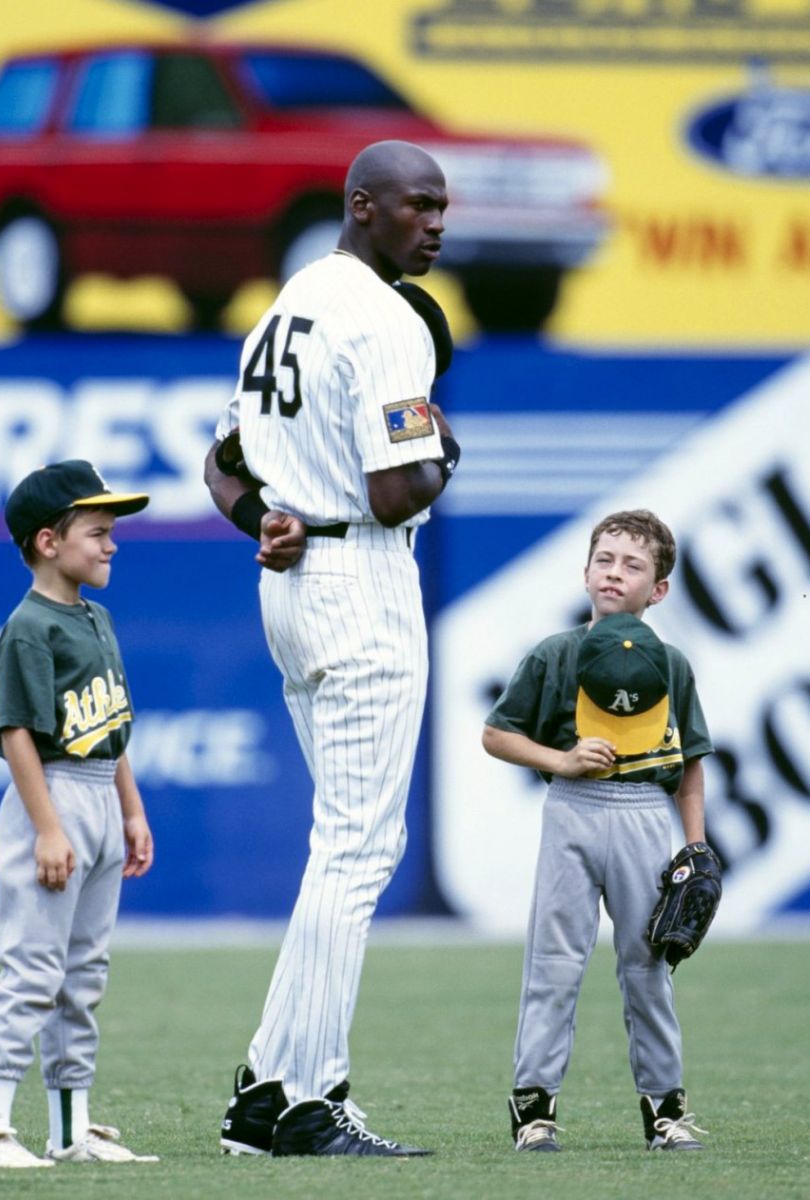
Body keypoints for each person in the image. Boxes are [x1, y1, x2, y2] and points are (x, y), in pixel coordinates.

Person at [204, 140, 460, 1158]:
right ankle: (298, 1102)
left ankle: (273, 1083)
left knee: (342, 844)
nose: (435, 222)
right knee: (356, 850)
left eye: (442, 207)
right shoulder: (387, 318)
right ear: (363, 206)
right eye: (418, 205)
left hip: (292, 578)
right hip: (360, 580)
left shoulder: (288, 301)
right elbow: (399, 489)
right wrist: (443, 445)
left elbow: (220, 463)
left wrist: (263, 511)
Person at [482, 509, 714, 1153]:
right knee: (554, 963)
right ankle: (534, 1110)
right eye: (605, 559)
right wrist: (560, 760)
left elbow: (690, 765)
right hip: (572, 809)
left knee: (649, 964)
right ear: (585, 570)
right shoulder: (555, 653)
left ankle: (665, 1110)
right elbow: (496, 734)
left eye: (633, 565)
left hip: (644, 812)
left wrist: (694, 846)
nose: (615, 572)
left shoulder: (672, 664)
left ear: (659, 589)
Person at [0, 460, 159, 1168]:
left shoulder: (95, 617)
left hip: (101, 790)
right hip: (54, 794)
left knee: (84, 973)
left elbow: (114, 725)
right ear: (48, 541)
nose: (111, 545)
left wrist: (131, 811)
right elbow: (17, 733)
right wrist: (48, 826)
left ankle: (69, 1129)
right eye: (97, 532)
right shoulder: (29, 626)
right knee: (33, 970)